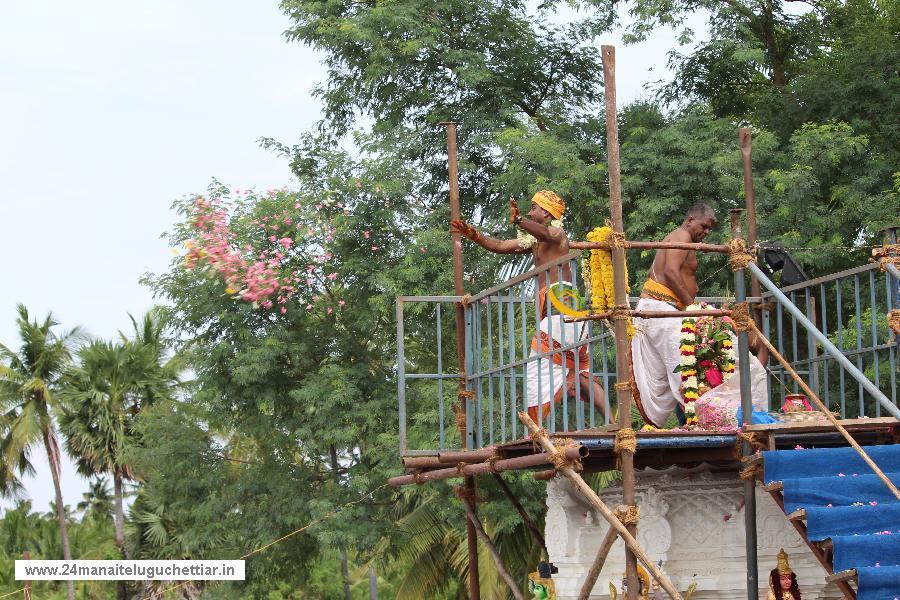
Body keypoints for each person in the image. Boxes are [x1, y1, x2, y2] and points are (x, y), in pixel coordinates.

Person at [450, 190, 605, 423]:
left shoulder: (557, 234)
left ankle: (536, 429)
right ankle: (612, 423)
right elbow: (501, 245)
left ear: (546, 212)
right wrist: (474, 235)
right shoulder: (534, 241)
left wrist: (520, 220)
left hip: (562, 306)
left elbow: (545, 232)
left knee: (537, 369)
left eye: (534, 208)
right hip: (558, 311)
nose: (531, 212)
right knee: (575, 373)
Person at [630, 203, 768, 427]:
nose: (706, 233)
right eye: (704, 227)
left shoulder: (683, 238)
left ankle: (708, 419)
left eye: (710, 230)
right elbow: (670, 272)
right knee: (687, 372)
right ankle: (704, 423)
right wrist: (692, 307)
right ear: (690, 220)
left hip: (666, 310)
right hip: (664, 309)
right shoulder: (682, 235)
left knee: (689, 369)